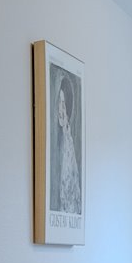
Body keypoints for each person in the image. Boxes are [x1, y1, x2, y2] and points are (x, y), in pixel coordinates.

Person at [54, 76, 81, 215]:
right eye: (59, 102)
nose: (60, 109)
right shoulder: (60, 143)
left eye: (64, 104)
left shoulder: (68, 146)